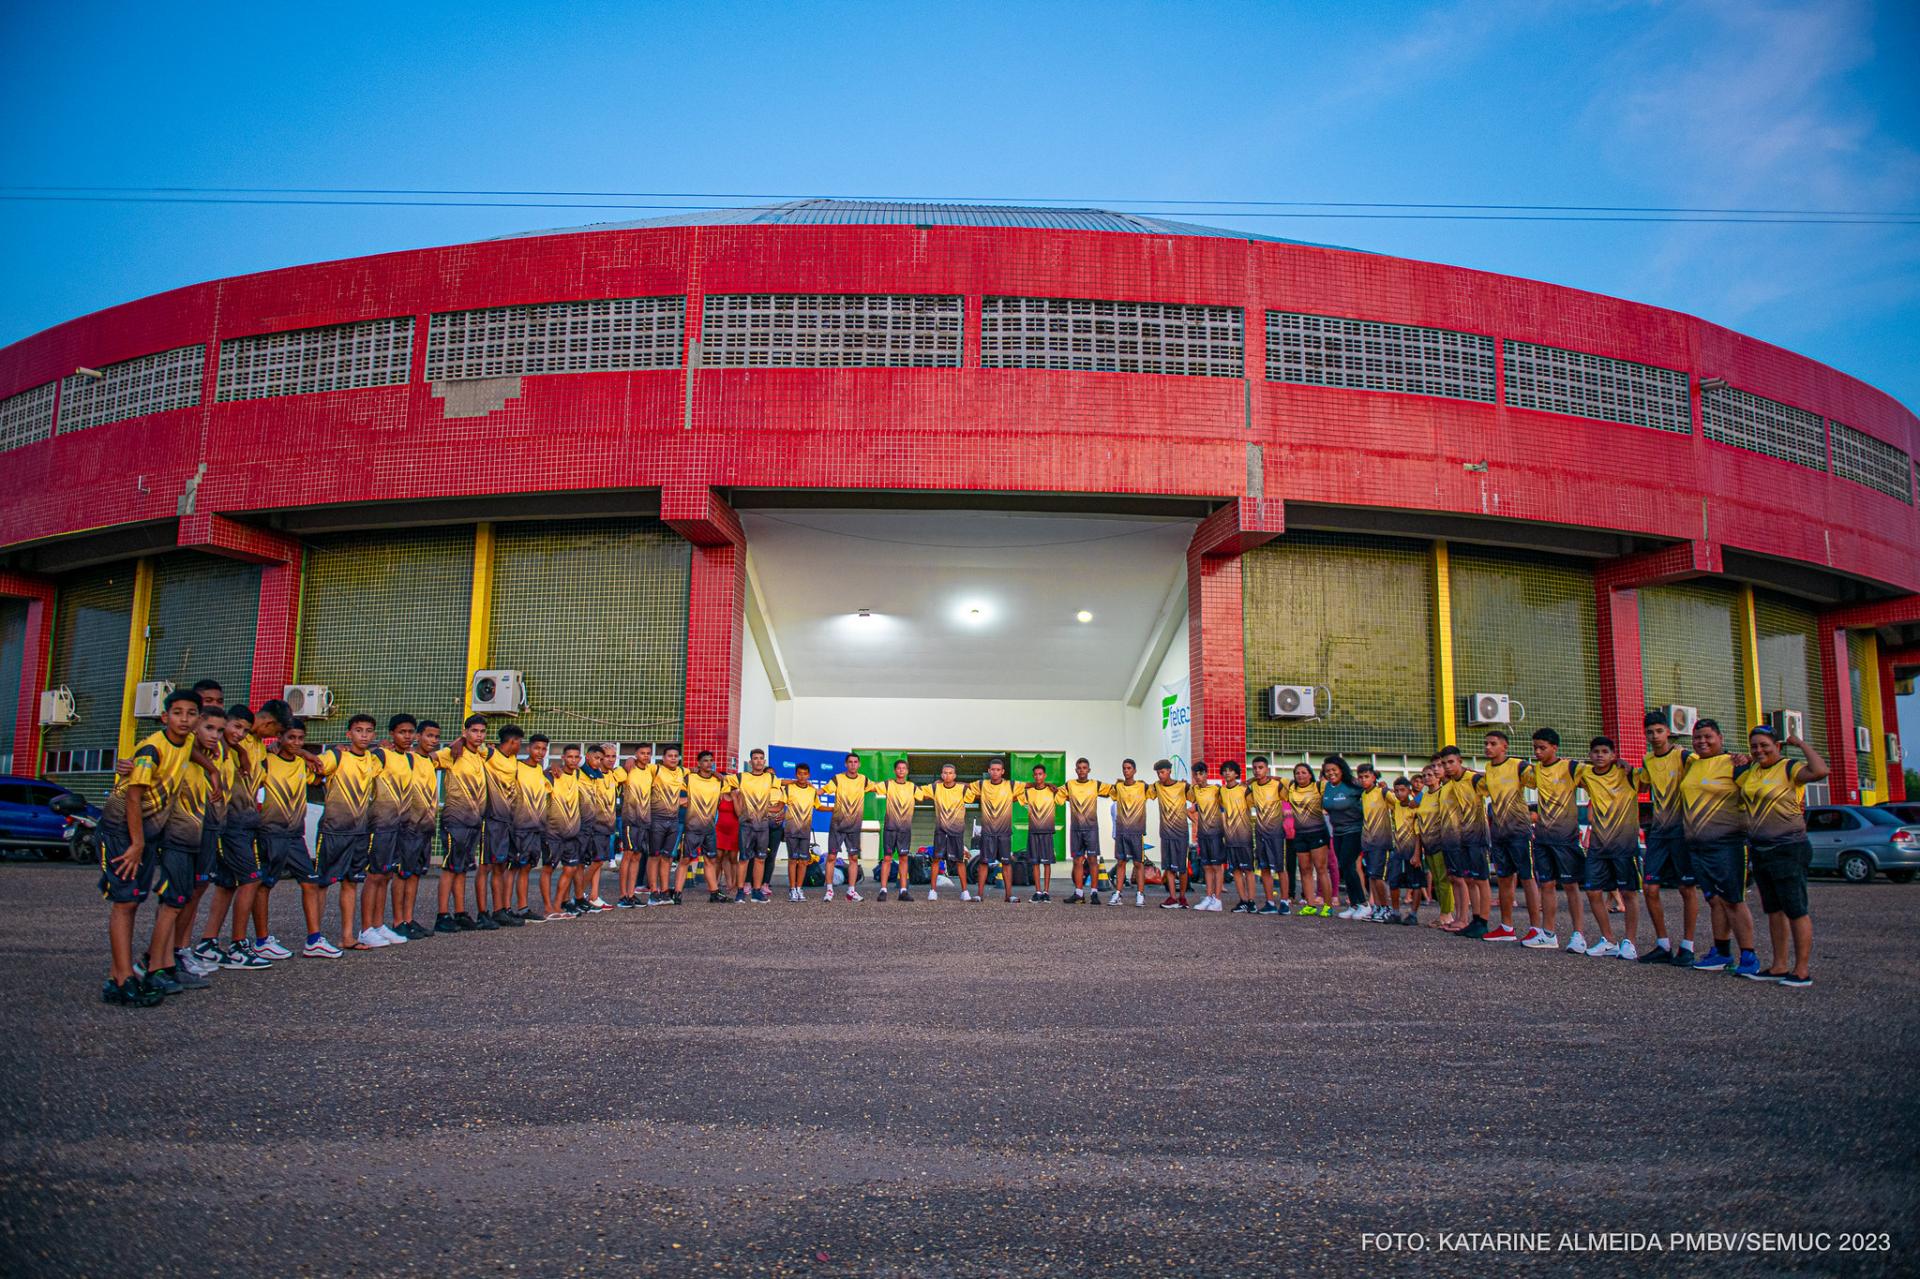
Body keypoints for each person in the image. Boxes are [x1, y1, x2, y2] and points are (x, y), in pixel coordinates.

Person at [1740, 727, 1827, 986]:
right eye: (1754, 746)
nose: (1759, 750)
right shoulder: (1753, 771)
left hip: (1789, 848)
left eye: (1764, 745)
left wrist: (1799, 743)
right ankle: (1779, 965)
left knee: (1795, 909)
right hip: (1761, 848)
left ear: (1777, 744)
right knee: (1774, 910)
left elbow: (1821, 771)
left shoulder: (1790, 768)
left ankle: (1801, 970)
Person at [1678, 718, 1760, 977]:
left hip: (1727, 844)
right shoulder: (1692, 764)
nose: (1702, 741)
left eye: (1707, 737)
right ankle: (1721, 952)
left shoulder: (1735, 765)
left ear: (1720, 738)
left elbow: (1758, 782)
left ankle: (1749, 955)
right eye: (1697, 737)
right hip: (1697, 845)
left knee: (1733, 900)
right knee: (1714, 900)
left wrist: (1749, 759)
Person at [194, 706, 272, 970]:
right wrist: (213, 770)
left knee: (227, 884)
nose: (239, 734)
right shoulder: (210, 749)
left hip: (227, 824)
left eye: (244, 730)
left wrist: (239, 752)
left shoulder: (231, 752)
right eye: (235, 727)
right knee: (250, 879)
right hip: (217, 826)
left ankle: (208, 943)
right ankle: (238, 944)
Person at [255, 718, 333, 957]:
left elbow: (316, 778)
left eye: (301, 738)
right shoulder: (267, 761)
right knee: (264, 885)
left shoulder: (301, 763)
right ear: (279, 737)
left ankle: (314, 939)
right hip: (271, 833)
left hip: (294, 835)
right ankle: (261, 941)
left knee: (310, 882)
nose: (296, 743)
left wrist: (315, 763)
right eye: (291, 737)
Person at [311, 714, 382, 951]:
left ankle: (347, 936)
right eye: (358, 730)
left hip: (359, 831)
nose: (364, 735)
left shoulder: (373, 760)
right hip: (334, 830)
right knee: (322, 883)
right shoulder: (336, 756)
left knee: (351, 883)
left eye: (368, 730)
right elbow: (312, 769)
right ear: (348, 734)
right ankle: (315, 938)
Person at [1634, 710, 1698, 966]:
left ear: (1668, 732)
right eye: (1650, 732)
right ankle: (1662, 944)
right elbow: (1643, 785)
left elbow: (1708, 765)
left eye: (1659, 731)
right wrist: (1628, 769)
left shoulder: (1684, 756)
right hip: (1659, 832)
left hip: (1682, 830)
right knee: (1649, 888)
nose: (1655, 736)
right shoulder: (1648, 760)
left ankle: (1688, 946)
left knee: (1686, 888)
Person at [359, 714, 423, 947]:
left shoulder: (409, 759)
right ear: (391, 734)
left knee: (386, 875)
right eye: (402, 732)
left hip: (399, 826)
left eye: (410, 732)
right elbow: (359, 761)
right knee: (374, 875)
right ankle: (365, 928)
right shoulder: (380, 755)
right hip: (380, 824)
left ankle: (378, 925)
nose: (407, 736)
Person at [1575, 735, 1641, 959]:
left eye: (1605, 751)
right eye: (1596, 752)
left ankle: (1630, 942)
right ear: (1590, 755)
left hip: (1624, 845)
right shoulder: (1585, 774)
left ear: (1613, 755)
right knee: (1593, 891)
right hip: (1598, 846)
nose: (1600, 755)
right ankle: (1609, 939)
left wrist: (1629, 767)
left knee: (1628, 893)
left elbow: (1647, 780)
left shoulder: (1626, 774)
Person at [1520, 728, 1586, 952]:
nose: (1537, 752)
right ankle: (1548, 933)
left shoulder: (1571, 767)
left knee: (1570, 885)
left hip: (1565, 837)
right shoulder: (1535, 771)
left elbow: (1598, 778)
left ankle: (1578, 935)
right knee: (1546, 884)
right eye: (1535, 748)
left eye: (1542, 748)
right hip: (1543, 837)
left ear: (1555, 748)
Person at [431, 715, 492, 932]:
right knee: (450, 867)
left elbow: (493, 751)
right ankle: (442, 914)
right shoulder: (452, 753)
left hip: (474, 820)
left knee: (462, 868)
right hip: (455, 820)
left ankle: (459, 912)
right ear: (465, 731)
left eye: (482, 731)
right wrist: (456, 742)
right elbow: (427, 759)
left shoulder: (480, 754)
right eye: (474, 731)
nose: (479, 735)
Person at [1479, 729, 1537, 943]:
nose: (1488, 747)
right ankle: (1506, 926)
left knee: (1527, 878)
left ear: (1505, 746)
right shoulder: (1488, 768)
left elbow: (1537, 781)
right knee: (1504, 879)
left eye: (1493, 743)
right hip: (1499, 832)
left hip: (1519, 831)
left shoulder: (1518, 765)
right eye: (1486, 743)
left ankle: (1536, 929)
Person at [1436, 746, 1491, 939]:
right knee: (1470, 880)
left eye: (1451, 762)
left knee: (1481, 880)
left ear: (1460, 761)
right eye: (1444, 763)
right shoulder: (1452, 783)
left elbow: (1492, 787)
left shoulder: (1473, 778)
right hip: (1463, 838)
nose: (1447, 767)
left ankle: (1483, 922)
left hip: (1478, 836)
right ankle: (1475, 919)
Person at [392, 719, 440, 938]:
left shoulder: (431, 760)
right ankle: (397, 920)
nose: (433, 740)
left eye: (436, 737)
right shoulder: (407, 758)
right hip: (408, 827)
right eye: (429, 736)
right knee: (402, 874)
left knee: (415, 875)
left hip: (425, 827)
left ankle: (409, 919)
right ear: (418, 736)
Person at [479, 724, 525, 930]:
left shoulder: (513, 759)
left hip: (508, 819)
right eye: (520, 743)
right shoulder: (489, 753)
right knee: (485, 866)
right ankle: (482, 912)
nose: (520, 747)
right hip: (490, 819)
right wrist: (459, 741)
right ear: (513, 742)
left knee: (501, 865)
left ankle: (500, 909)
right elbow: (469, 744)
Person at [819, 753, 878, 903]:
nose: (853, 764)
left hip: (854, 827)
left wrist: (894, 785)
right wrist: (806, 791)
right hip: (837, 825)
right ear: (846, 764)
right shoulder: (837, 779)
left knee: (853, 858)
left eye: (855, 762)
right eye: (850, 762)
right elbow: (822, 791)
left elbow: (878, 788)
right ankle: (829, 890)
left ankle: (851, 891)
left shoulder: (863, 780)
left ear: (859, 764)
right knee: (831, 857)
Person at [731, 748, 786, 903]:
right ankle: (740, 891)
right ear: (750, 762)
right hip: (746, 825)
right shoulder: (742, 777)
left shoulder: (770, 778)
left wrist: (800, 782)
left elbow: (784, 783)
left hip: (763, 826)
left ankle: (756, 891)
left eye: (761, 758)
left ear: (765, 761)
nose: (759, 761)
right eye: (755, 758)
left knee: (761, 859)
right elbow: (722, 781)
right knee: (743, 858)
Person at [680, 750, 734, 903]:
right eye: (705, 761)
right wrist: (682, 803)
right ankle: (677, 893)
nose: (709, 763)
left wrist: (721, 776)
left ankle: (714, 892)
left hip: (709, 828)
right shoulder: (690, 778)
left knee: (710, 860)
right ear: (698, 763)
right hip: (692, 827)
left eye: (711, 760)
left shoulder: (718, 781)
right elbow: (672, 788)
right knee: (685, 860)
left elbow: (731, 788)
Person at [509, 734, 552, 921]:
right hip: (518, 827)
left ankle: (523, 907)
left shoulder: (540, 771)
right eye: (537, 748)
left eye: (543, 749)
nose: (540, 752)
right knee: (512, 868)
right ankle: (504, 908)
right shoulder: (516, 767)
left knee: (526, 868)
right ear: (528, 749)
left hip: (536, 828)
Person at [542, 744, 586, 917]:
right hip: (553, 833)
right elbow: (540, 777)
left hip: (572, 833)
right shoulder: (553, 775)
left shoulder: (578, 774)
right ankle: (548, 908)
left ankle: (558, 904)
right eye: (570, 757)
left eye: (576, 757)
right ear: (563, 758)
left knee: (570, 869)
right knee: (548, 869)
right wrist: (549, 767)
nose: (573, 760)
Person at [1320, 757, 1366, 919]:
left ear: (1341, 769)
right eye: (1327, 771)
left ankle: (1363, 904)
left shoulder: (1353, 785)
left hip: (1354, 830)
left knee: (1348, 864)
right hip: (1337, 832)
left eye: (1334, 770)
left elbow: (1370, 793)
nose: (1331, 773)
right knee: (1345, 867)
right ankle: (1354, 905)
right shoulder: (1328, 787)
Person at [1059, 758, 1107, 904]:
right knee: (1077, 861)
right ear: (1075, 770)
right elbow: (1058, 796)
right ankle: (1079, 892)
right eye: (1079, 768)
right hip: (1076, 829)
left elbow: (1115, 790)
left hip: (1091, 828)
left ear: (1089, 770)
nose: (1082, 770)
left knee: (1093, 860)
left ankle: (1094, 893)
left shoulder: (1096, 784)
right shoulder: (1069, 785)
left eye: (1084, 767)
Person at [1286, 763, 1331, 915]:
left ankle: (1328, 906)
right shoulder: (1291, 788)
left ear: (1310, 774)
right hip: (1300, 834)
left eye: (1304, 772)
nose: (1300, 775)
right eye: (1297, 773)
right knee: (1305, 870)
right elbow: (1275, 779)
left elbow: (1337, 783)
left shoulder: (1319, 786)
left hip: (1317, 832)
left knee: (1321, 869)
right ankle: (1310, 905)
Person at [972, 758, 1019, 903]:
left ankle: (1008, 895)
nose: (995, 772)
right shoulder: (982, 784)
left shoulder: (1010, 785)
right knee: (983, 863)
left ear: (1003, 771)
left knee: (1006, 864)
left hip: (1004, 833)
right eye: (993, 769)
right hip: (988, 832)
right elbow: (964, 786)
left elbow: (1029, 786)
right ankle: (979, 895)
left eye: (998, 770)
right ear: (988, 771)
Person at [614, 744, 655, 907]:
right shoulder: (626, 770)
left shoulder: (651, 771)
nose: (645, 756)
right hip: (630, 819)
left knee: (637, 855)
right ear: (636, 754)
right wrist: (628, 760)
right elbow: (609, 775)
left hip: (645, 820)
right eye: (642, 753)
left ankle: (631, 893)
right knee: (628, 855)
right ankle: (623, 895)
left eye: (648, 754)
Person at [579, 744, 620, 909]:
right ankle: (578, 894)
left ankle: (594, 895)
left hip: (607, 826)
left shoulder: (615, 775)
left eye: (613, 756)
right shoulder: (590, 776)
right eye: (606, 757)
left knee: (599, 862)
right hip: (592, 826)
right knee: (592, 862)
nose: (609, 760)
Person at [1150, 759, 1193, 910]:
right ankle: (1172, 897)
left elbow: (1197, 799)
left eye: (1162, 772)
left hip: (1181, 833)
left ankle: (1182, 897)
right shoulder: (1156, 787)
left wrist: (1192, 815)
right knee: (1168, 867)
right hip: (1165, 833)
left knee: (1182, 868)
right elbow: (1143, 793)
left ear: (1169, 770)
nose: (1160, 775)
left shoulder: (1183, 786)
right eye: (1158, 773)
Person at [647, 745, 687, 905]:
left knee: (667, 857)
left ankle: (664, 891)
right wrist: (629, 759)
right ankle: (653, 891)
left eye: (676, 756)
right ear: (663, 758)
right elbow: (636, 766)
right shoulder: (655, 770)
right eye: (669, 756)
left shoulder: (682, 772)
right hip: (657, 818)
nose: (673, 758)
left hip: (673, 820)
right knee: (654, 856)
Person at [875, 758, 920, 901]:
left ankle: (903, 890)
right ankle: (883, 890)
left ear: (907, 771)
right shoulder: (888, 784)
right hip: (890, 828)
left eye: (904, 768)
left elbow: (927, 794)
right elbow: (870, 787)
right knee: (887, 858)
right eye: (898, 768)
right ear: (895, 771)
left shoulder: (912, 787)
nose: (901, 770)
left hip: (904, 830)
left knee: (903, 859)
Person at [1356, 763, 1396, 922]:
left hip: (1382, 841)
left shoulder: (1382, 792)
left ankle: (1387, 908)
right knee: (1371, 876)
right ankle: (1377, 907)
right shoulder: (1363, 795)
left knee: (1379, 877)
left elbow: (1399, 803)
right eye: (1360, 777)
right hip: (1368, 842)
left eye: (1366, 776)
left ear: (1374, 777)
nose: (1363, 780)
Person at [1107, 760, 1149, 907]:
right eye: (1124, 768)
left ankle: (1140, 894)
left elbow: (1158, 790)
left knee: (1138, 863)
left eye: (1129, 768)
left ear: (1135, 770)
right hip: (1121, 832)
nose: (1126, 771)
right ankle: (1118, 894)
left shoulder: (1143, 786)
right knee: (1121, 863)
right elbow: (1109, 793)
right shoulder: (1118, 787)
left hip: (1137, 831)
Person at [1248, 756, 1288, 914]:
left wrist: (1279, 777)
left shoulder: (1277, 785)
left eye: (1260, 768)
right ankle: (1270, 902)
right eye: (1255, 768)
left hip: (1276, 833)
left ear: (1267, 769)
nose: (1257, 771)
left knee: (1280, 868)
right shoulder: (1252, 787)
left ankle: (1284, 902)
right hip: (1260, 833)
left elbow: (1290, 791)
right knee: (1264, 868)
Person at [925, 763, 970, 902]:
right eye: (945, 773)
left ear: (955, 775)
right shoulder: (935, 787)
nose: (947, 775)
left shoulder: (962, 789)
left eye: (950, 773)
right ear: (941, 774)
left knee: (959, 860)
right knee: (936, 859)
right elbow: (917, 792)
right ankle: (932, 891)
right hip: (940, 830)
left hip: (956, 831)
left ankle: (965, 891)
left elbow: (978, 789)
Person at [1016, 763, 1059, 902]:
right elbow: (1015, 792)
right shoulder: (1028, 792)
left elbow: (1065, 794)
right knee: (1035, 863)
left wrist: (1051, 785)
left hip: (1047, 831)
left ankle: (1046, 892)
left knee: (1047, 863)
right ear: (1033, 776)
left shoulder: (1052, 791)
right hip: (1033, 831)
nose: (1038, 776)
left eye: (1040, 774)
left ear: (1044, 775)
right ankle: (1038, 892)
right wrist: (1026, 784)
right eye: (1035, 774)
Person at [1386, 776, 1426, 925]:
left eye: (1402, 790)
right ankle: (1396, 913)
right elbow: (1384, 792)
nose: (1399, 793)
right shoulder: (1395, 805)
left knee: (1415, 883)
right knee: (1394, 881)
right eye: (1396, 790)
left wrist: (1417, 853)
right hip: (1397, 850)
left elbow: (1418, 833)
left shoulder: (1415, 808)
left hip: (1412, 850)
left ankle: (1413, 914)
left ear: (1409, 790)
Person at [780, 763, 820, 901]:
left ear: (809, 775)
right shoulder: (789, 788)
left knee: (803, 861)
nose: (802, 776)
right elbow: (780, 806)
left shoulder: (812, 791)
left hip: (805, 831)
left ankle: (799, 888)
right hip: (791, 830)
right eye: (799, 773)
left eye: (805, 773)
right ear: (796, 774)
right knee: (792, 860)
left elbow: (819, 807)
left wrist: (835, 809)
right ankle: (792, 890)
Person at [1219, 761, 1255, 914]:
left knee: (1248, 869)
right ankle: (1243, 900)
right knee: (1237, 871)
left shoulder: (1244, 789)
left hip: (1244, 835)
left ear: (1236, 773)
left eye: (1231, 771)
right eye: (1225, 771)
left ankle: (1252, 901)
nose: (1227, 773)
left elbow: (1253, 805)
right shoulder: (1221, 791)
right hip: (1230, 837)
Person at [1189, 760, 1224, 911]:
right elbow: (1189, 809)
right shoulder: (1195, 790)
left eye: (1201, 773)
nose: (1198, 777)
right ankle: (1209, 897)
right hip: (1203, 834)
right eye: (1196, 774)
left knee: (1217, 866)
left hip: (1215, 833)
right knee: (1207, 867)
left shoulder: (1216, 790)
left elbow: (1225, 808)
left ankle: (1218, 899)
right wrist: (1196, 822)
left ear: (1206, 774)